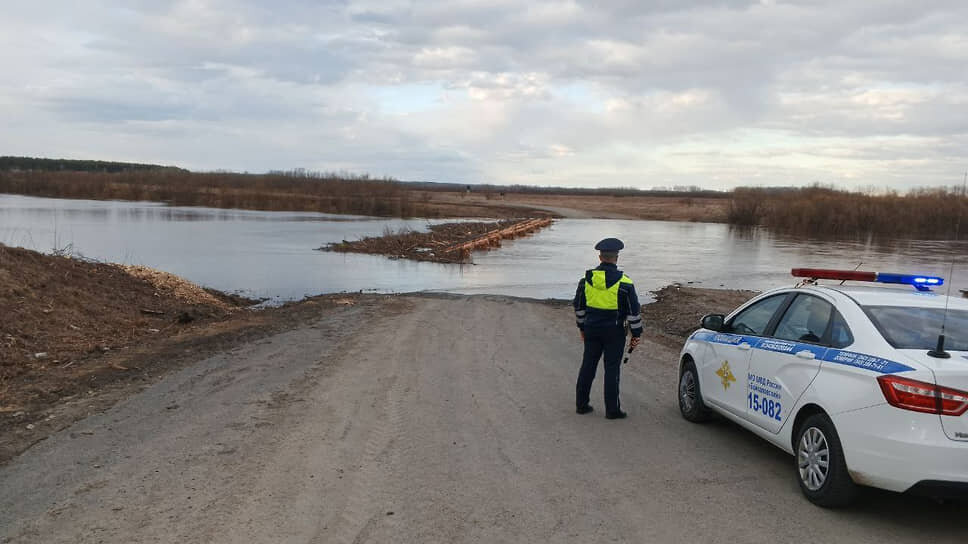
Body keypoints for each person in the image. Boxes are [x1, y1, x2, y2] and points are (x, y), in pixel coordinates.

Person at [573, 238, 642, 419]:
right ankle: (612, 410)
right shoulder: (625, 282)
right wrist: (637, 333)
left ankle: (581, 405)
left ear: (600, 256)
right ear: (616, 257)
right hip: (614, 332)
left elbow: (578, 307)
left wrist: (582, 327)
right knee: (612, 369)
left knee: (588, 365)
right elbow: (633, 312)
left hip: (591, 330)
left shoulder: (585, 279)